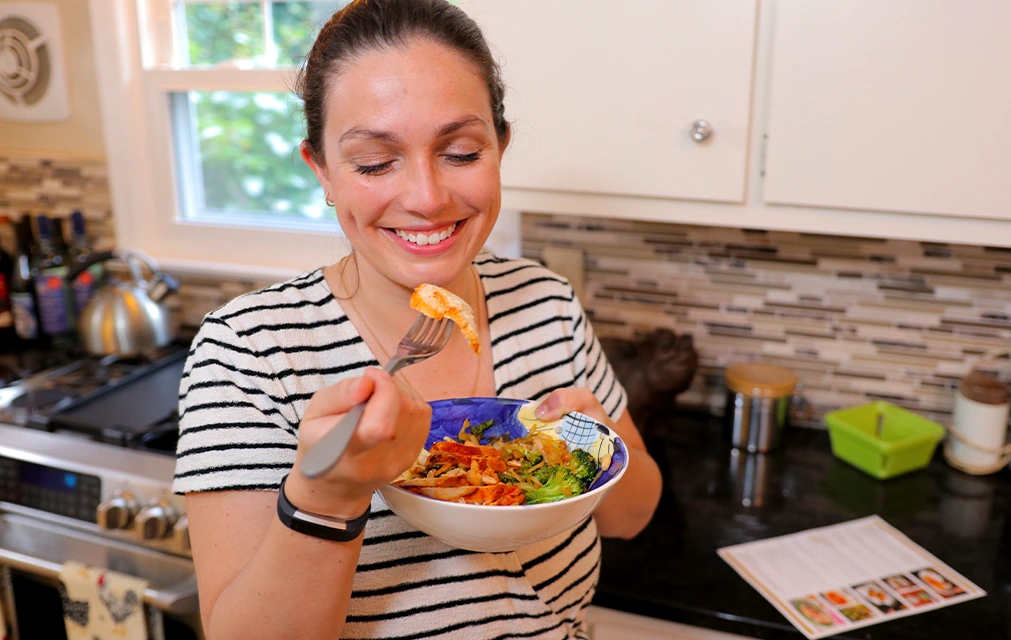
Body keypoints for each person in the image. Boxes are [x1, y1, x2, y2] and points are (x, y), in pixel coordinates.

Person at [174, 1, 663, 638]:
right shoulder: (248, 353)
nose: (428, 199)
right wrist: (327, 495)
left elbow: (632, 514)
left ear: (500, 146)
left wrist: (601, 450)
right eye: (376, 162)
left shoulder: (546, 300)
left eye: (461, 152)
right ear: (321, 170)